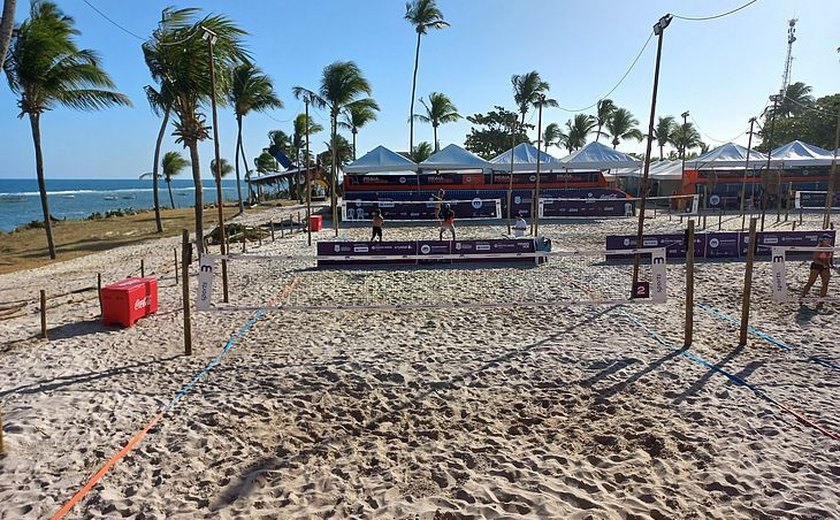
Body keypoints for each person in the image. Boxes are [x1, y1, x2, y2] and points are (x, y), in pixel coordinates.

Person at [801, 234, 835, 305]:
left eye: (830, 239)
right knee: (811, 282)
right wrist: (825, 264)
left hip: (825, 267)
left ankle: (822, 299)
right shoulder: (818, 247)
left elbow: (829, 258)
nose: (829, 241)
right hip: (816, 266)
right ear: (823, 240)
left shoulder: (830, 248)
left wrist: (830, 265)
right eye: (827, 239)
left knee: (825, 283)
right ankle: (802, 296)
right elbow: (815, 259)